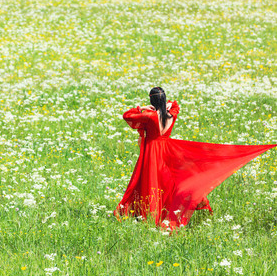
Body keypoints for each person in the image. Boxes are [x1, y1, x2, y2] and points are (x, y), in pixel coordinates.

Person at [114, 87, 276, 230]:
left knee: (149, 180)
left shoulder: (149, 116)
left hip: (152, 151)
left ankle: (150, 215)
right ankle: (163, 211)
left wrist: (141, 107)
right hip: (167, 150)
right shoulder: (171, 115)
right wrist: (166, 105)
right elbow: (175, 105)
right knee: (167, 181)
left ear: (151, 101)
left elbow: (127, 115)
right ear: (164, 100)